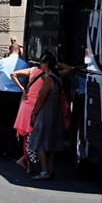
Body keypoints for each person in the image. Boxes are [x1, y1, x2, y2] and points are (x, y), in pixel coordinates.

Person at [28, 51, 66, 180]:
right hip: (55, 113)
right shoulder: (57, 77)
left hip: (45, 112)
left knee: (39, 142)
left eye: (42, 63)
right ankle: (50, 169)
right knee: (51, 144)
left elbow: (41, 98)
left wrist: (34, 113)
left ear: (47, 64)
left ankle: (44, 170)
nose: (40, 65)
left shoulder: (49, 79)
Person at [0, 43, 29, 158]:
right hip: (17, 96)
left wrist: (2, 83)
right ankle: (13, 151)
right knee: (14, 124)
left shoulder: (1, 62)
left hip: (4, 95)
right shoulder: (24, 64)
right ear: (19, 52)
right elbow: (27, 81)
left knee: (1, 123)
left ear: (9, 50)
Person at [11, 63, 46, 175]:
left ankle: (28, 164)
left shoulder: (32, 70)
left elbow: (13, 74)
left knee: (27, 138)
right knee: (30, 138)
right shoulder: (48, 74)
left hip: (26, 106)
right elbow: (68, 70)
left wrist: (22, 89)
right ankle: (28, 164)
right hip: (33, 108)